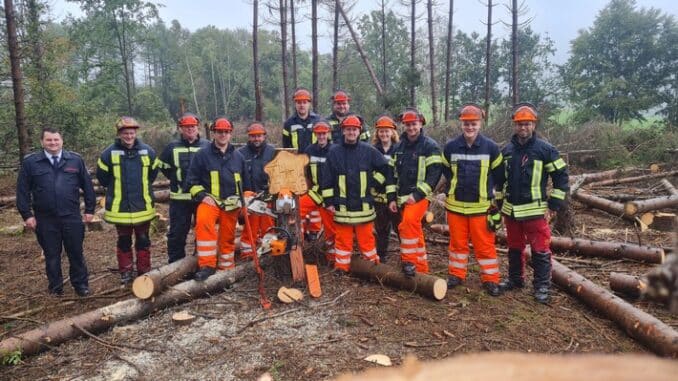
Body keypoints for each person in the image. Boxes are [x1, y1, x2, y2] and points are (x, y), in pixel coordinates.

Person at [497, 103, 569, 304]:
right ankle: (515, 279)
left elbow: (561, 178)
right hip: (511, 211)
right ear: (514, 125)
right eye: (520, 124)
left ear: (534, 125)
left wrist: (553, 205)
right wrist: (499, 203)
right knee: (514, 247)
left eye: (527, 124)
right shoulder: (507, 150)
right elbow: (499, 180)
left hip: (536, 211)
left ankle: (542, 286)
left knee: (540, 250)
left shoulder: (545, 150)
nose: (523, 128)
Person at [16, 127, 96, 297]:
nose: (53, 143)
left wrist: (90, 209)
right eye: (49, 140)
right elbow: (22, 191)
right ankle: (55, 288)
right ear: (42, 142)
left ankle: (80, 285)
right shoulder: (31, 163)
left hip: (71, 216)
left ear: (62, 141)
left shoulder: (75, 160)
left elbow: (88, 186)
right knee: (52, 255)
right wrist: (27, 215)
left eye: (56, 140)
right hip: (45, 219)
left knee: (76, 252)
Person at [441, 103, 505, 296]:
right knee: (457, 245)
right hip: (455, 207)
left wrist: (494, 199)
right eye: (466, 123)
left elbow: (500, 175)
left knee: (484, 246)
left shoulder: (491, 148)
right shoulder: (451, 147)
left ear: (480, 124)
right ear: (461, 124)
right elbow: (445, 170)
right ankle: (456, 275)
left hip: (481, 207)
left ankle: (490, 279)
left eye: (473, 123)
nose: (470, 127)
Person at [320, 115, 393, 273]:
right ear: (343, 131)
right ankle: (341, 267)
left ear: (359, 131)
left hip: (363, 206)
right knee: (342, 240)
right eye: (348, 129)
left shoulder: (369, 151)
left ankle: (372, 267)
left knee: (367, 239)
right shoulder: (334, 153)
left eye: (354, 129)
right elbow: (326, 179)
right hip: (342, 206)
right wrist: (329, 202)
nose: (351, 132)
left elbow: (385, 169)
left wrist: (373, 183)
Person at [186, 116, 250, 281]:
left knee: (227, 236)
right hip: (210, 201)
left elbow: (247, 184)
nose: (223, 135)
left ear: (231, 134)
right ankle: (207, 266)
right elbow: (191, 182)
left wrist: (245, 199)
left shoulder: (238, 157)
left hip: (231, 203)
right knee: (203, 222)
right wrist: (202, 196)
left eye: (226, 132)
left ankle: (226, 267)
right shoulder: (202, 155)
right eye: (219, 132)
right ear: (213, 133)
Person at [97, 117, 158, 285]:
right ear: (119, 134)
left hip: (143, 206)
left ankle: (144, 270)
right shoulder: (108, 153)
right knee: (123, 240)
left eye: (131, 133)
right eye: (125, 133)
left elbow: (153, 174)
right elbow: (103, 178)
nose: (129, 136)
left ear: (136, 133)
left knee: (143, 240)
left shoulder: (148, 151)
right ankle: (126, 271)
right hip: (120, 207)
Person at [388, 108, 442, 276]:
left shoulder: (430, 146)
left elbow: (435, 174)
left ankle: (409, 262)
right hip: (402, 198)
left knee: (407, 225)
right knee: (415, 230)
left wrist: (417, 195)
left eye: (414, 124)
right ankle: (421, 266)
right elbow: (392, 175)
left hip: (419, 196)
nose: (411, 128)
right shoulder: (398, 147)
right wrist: (391, 199)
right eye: (408, 125)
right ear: (404, 126)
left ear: (421, 124)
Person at [156, 113, 211, 263]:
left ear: (197, 127)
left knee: (204, 232)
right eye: (186, 127)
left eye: (192, 127)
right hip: (179, 199)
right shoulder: (172, 147)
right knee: (177, 233)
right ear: (180, 129)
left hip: (202, 198)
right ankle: (175, 265)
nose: (190, 130)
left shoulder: (207, 146)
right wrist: (175, 179)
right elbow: (164, 167)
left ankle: (200, 262)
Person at [238, 121, 276, 259]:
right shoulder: (241, 153)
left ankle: (268, 250)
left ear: (264, 136)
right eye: (253, 136)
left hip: (267, 194)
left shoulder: (272, 152)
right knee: (251, 225)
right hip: (249, 195)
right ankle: (248, 252)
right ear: (249, 137)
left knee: (268, 224)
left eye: (259, 136)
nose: (256, 139)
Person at [304, 120, 337, 264]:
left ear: (328, 133)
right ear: (315, 134)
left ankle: (332, 257)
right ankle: (297, 245)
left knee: (331, 229)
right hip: (315, 191)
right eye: (319, 134)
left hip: (330, 195)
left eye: (324, 133)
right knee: (296, 208)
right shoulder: (310, 150)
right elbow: (306, 173)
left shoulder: (335, 150)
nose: (321, 136)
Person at [371, 115, 400, 262]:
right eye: (381, 131)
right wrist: (375, 182)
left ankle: (407, 256)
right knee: (381, 228)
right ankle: (381, 256)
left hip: (395, 195)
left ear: (392, 132)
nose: (384, 134)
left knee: (400, 226)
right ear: (377, 133)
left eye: (387, 131)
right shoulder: (372, 149)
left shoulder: (399, 149)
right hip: (377, 195)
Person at [282, 88, 320, 153]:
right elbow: (286, 147)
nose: (302, 105)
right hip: (296, 160)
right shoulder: (288, 124)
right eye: (299, 102)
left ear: (309, 104)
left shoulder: (318, 121)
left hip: (314, 159)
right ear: (295, 104)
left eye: (304, 102)